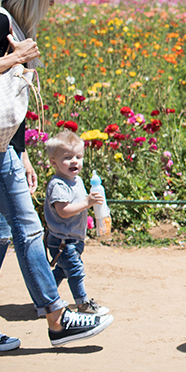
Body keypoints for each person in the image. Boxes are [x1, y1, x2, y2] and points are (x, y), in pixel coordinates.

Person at [0, 0, 113, 350]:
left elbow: (1, 98)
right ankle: (57, 319)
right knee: (28, 227)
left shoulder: (6, 20)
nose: (54, 2)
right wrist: (17, 57)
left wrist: (20, 154)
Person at [43, 130, 110, 316]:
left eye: (78, 157)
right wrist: (87, 203)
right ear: (53, 162)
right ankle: (83, 304)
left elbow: (77, 206)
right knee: (75, 270)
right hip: (62, 240)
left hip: (74, 238)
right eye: (67, 157)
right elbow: (63, 211)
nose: (74, 161)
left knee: (63, 271)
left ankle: (45, 300)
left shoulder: (76, 180)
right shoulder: (58, 185)